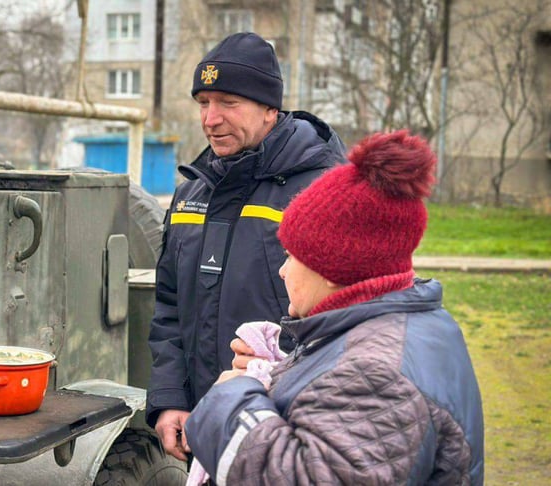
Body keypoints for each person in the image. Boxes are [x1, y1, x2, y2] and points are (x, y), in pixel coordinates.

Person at [184, 130, 485, 484]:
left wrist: (231, 399)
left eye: (290, 256)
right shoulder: (413, 322)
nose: (282, 270)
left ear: (331, 269)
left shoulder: (374, 377)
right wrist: (284, 374)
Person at [145, 31, 347, 462]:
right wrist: (170, 399)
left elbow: (349, 322)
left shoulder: (323, 193)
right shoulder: (189, 195)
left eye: (228, 103)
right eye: (203, 103)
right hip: (204, 423)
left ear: (270, 109)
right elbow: (168, 308)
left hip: (288, 434)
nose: (210, 119)